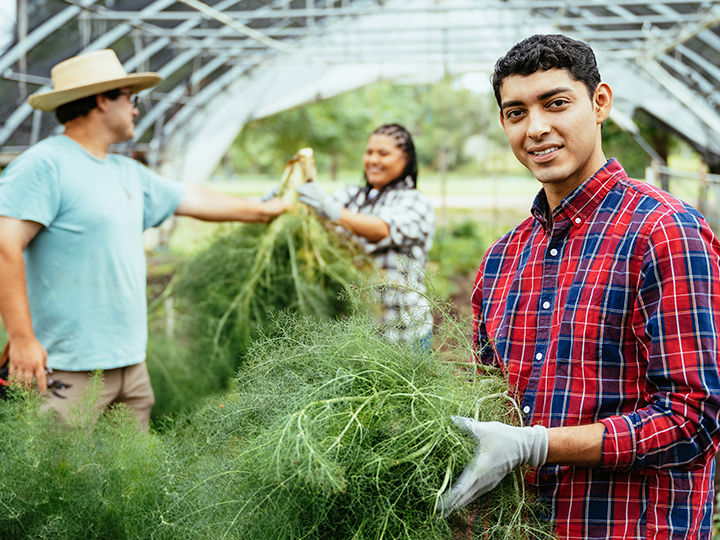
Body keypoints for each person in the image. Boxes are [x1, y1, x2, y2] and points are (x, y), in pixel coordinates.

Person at [436, 34, 720, 539]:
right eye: (516, 112)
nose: (537, 128)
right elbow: (489, 402)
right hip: (523, 527)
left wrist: (538, 445)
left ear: (601, 102)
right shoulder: (502, 259)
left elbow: (694, 419)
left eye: (557, 103)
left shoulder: (665, 233)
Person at [0, 49, 287, 430]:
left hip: (130, 365)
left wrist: (266, 211)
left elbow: (194, 197)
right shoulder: (45, 163)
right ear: (103, 100)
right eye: (130, 99)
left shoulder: (127, 172)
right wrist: (21, 340)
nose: (136, 110)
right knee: (56, 484)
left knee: (129, 484)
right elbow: (5, 245)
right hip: (69, 366)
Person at [292, 124, 436, 345]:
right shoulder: (350, 197)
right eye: (369, 152)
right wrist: (290, 199)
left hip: (403, 334)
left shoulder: (415, 201)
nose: (373, 160)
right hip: (353, 334)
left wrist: (334, 212)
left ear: (406, 158)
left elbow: (382, 229)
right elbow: (310, 218)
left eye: (383, 153)